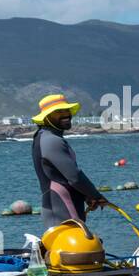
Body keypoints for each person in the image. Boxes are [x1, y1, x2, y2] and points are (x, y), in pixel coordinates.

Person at [31, 92, 107, 230]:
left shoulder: (45, 137)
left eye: (67, 110)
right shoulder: (51, 140)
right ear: (46, 117)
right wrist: (96, 196)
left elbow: (63, 177)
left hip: (60, 211)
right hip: (63, 212)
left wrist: (87, 196)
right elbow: (75, 177)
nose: (66, 114)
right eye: (58, 112)